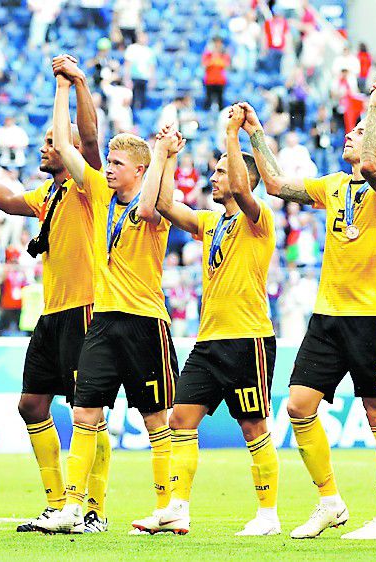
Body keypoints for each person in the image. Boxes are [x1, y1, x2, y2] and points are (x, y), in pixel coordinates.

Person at [246, 79, 376, 541]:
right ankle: (331, 502)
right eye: (351, 131)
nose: (349, 136)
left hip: (372, 315)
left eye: (358, 132)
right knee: (298, 405)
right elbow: (276, 185)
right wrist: (257, 132)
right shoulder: (332, 185)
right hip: (327, 315)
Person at [0, 54, 111, 533]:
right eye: (47, 141)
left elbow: (87, 138)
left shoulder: (90, 187)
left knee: (88, 409)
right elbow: (3, 198)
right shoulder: (49, 196)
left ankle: (92, 510)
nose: (46, 148)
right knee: (31, 405)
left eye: (50, 142)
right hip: (52, 313)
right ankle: (55, 502)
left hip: (86, 307)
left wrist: (70, 85)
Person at [37, 61, 178, 535]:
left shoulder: (154, 200)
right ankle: (73, 508)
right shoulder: (97, 193)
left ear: (139, 169)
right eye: (108, 163)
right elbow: (66, 141)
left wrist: (162, 156)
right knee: (83, 410)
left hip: (144, 321)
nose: (108, 169)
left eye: (117, 164)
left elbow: (149, 205)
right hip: (103, 320)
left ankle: (168, 507)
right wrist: (63, 89)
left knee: (156, 415)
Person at [149, 107, 279, 536]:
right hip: (209, 341)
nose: (215, 177)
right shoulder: (211, 222)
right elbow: (165, 205)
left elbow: (242, 186)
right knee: (180, 419)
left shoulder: (258, 219)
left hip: (248, 337)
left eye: (222, 171)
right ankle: (177, 509)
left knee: (253, 426)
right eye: (216, 171)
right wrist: (165, 157)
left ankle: (267, 514)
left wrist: (231, 135)